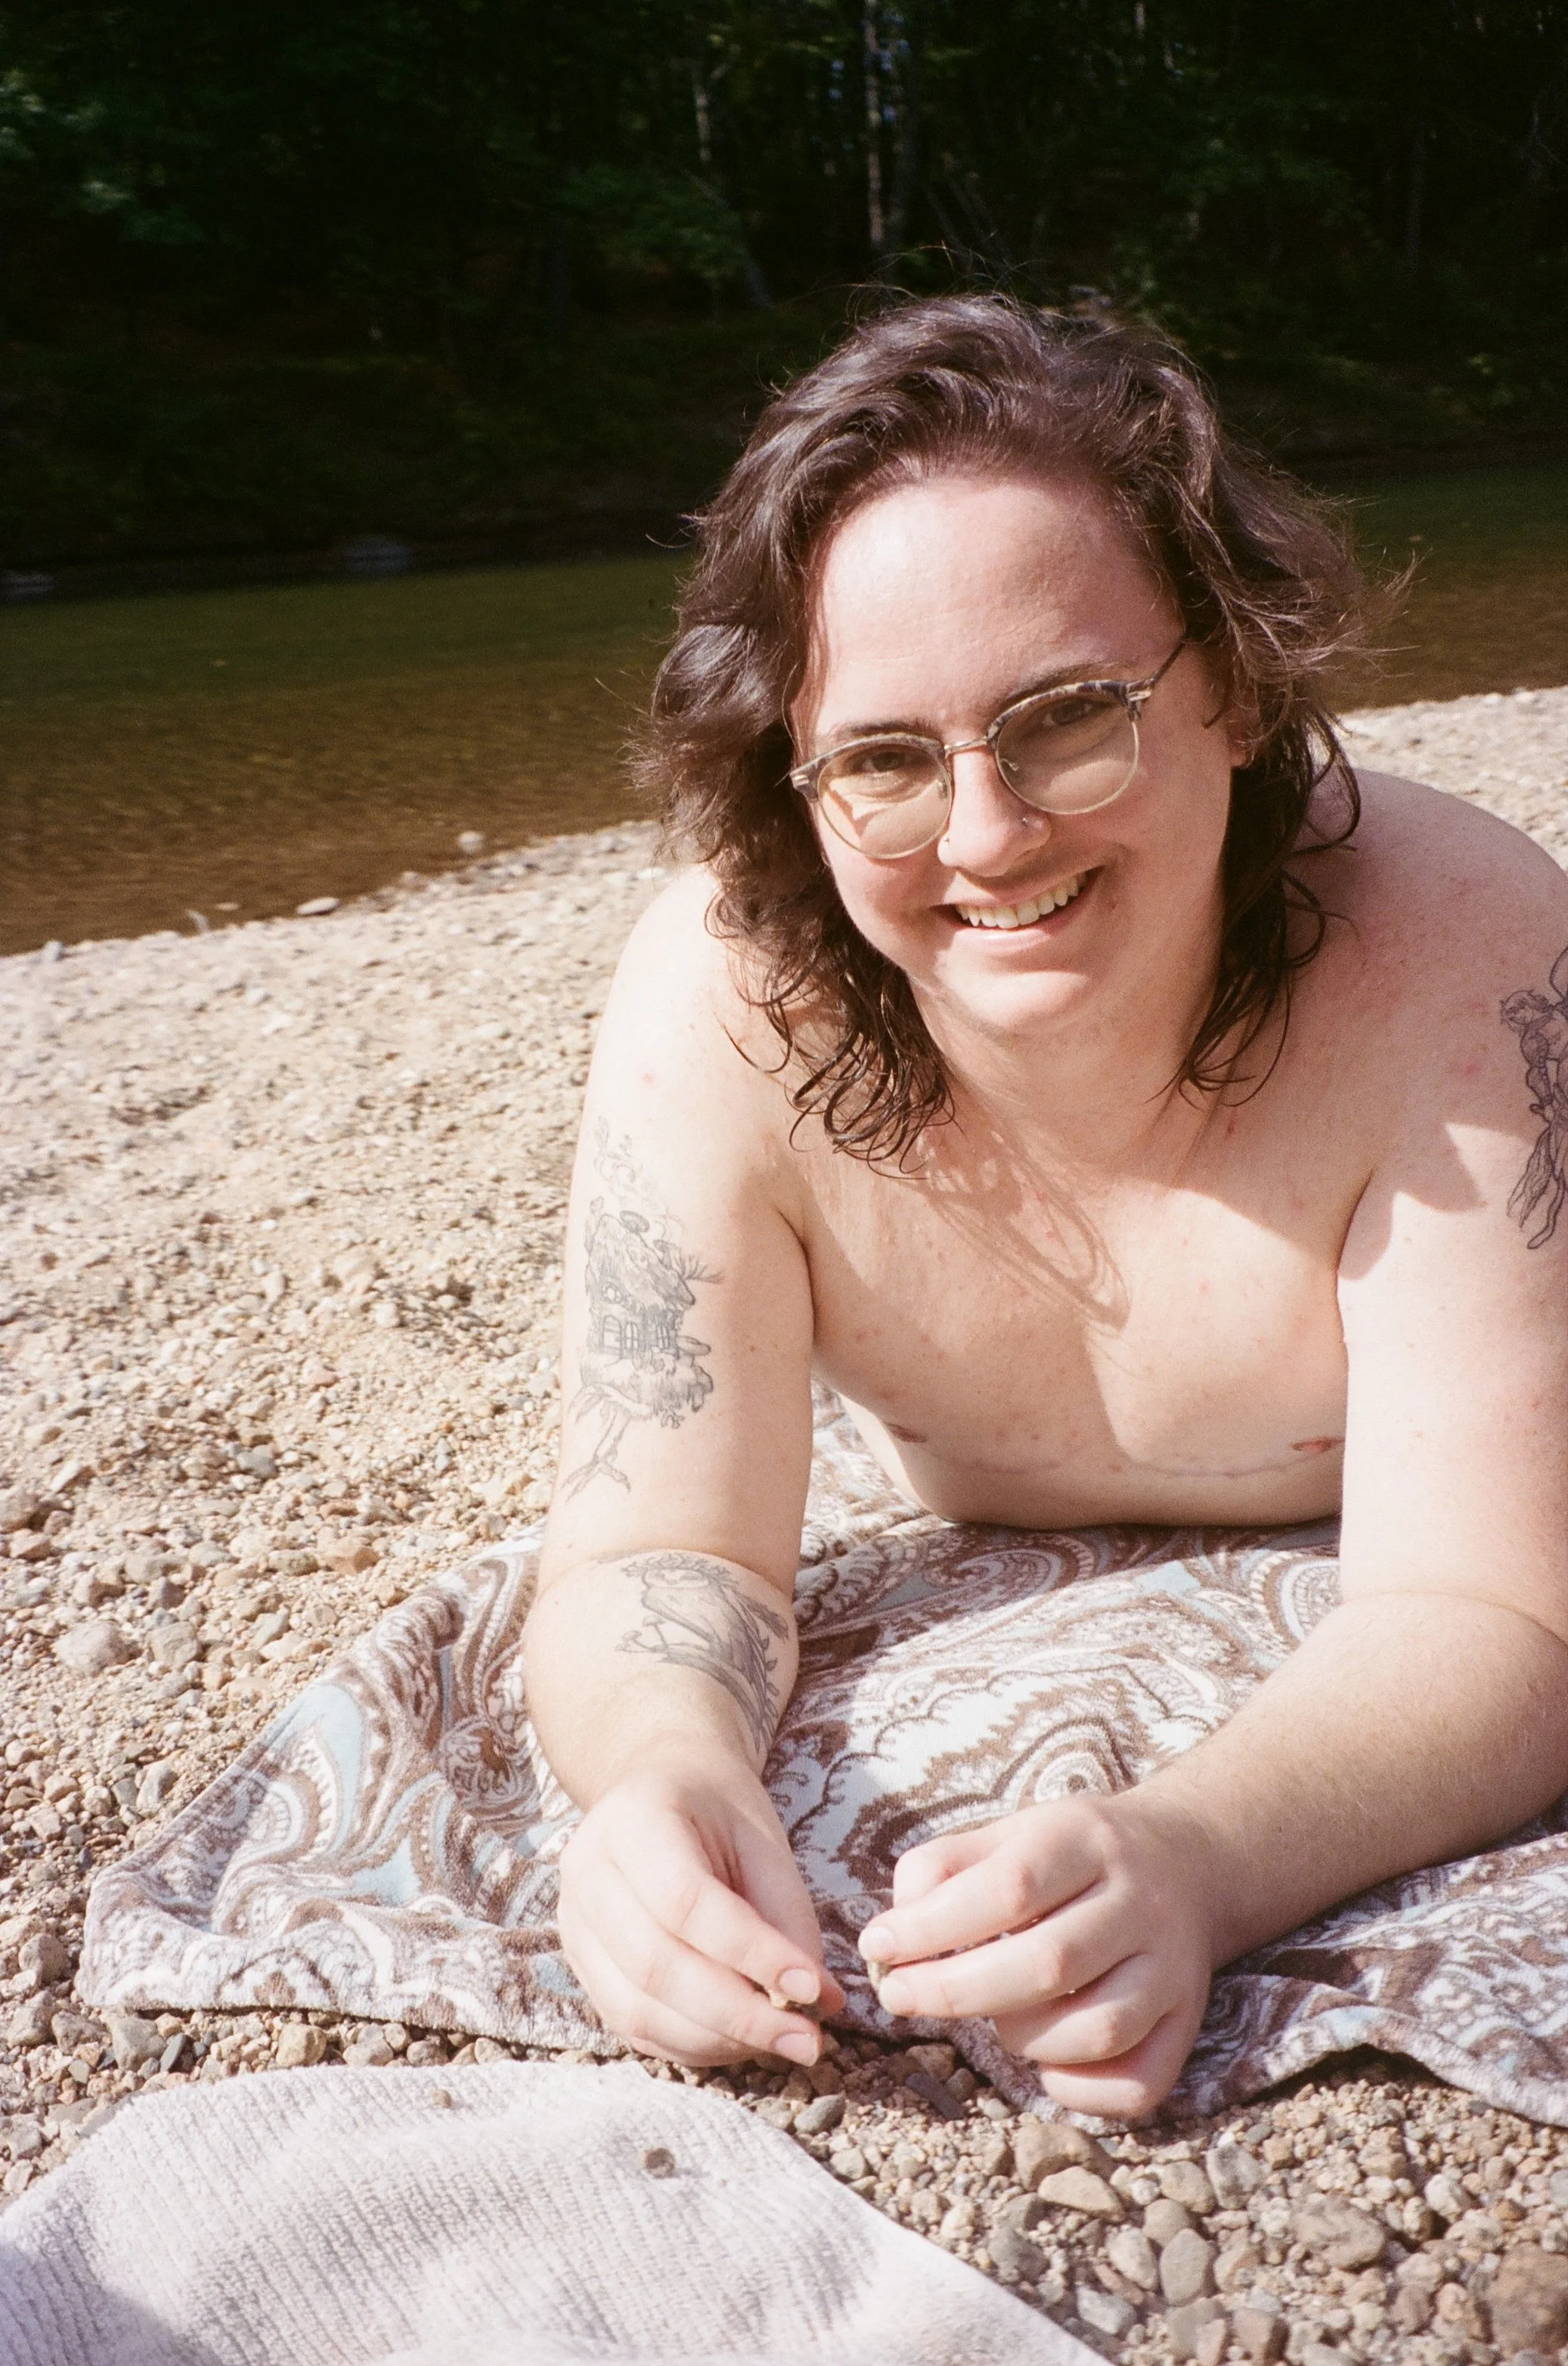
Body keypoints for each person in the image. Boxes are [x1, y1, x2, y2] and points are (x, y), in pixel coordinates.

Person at [522, 295, 1568, 2118]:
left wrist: (1196, 1856)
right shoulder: (721, 1005)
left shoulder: (1461, 958)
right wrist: (658, 1779)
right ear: (793, 776)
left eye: (1067, 718)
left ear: (1233, 683)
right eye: (882, 760)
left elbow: (1498, 1603)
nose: (986, 833)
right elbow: (653, 1543)